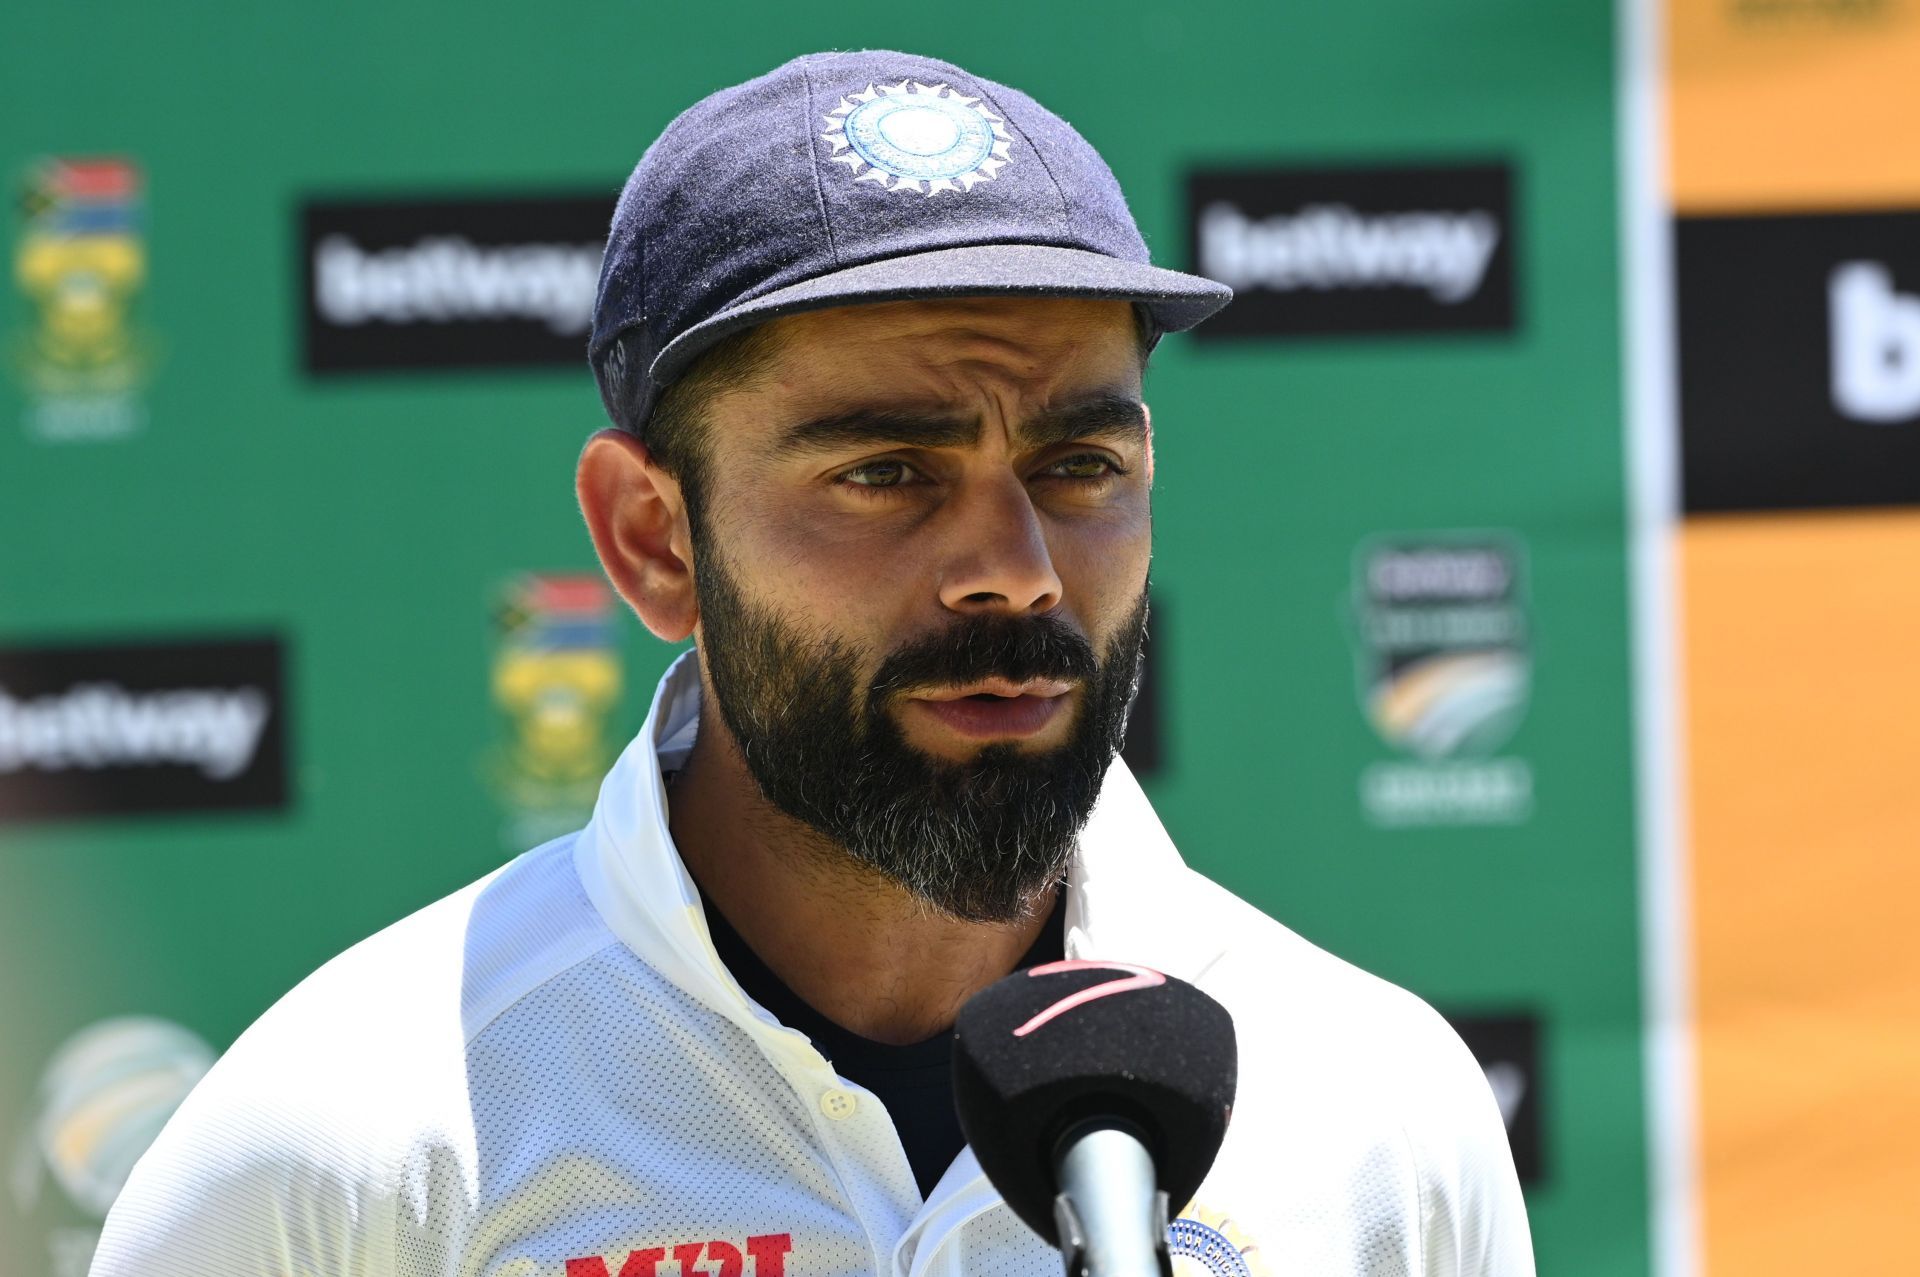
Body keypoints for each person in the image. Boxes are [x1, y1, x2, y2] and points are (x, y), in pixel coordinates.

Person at [91, 51, 1533, 1277]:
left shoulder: (1373, 1109)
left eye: (1080, 461)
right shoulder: (345, 1142)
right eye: (890, 470)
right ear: (652, 540)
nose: (1017, 565)